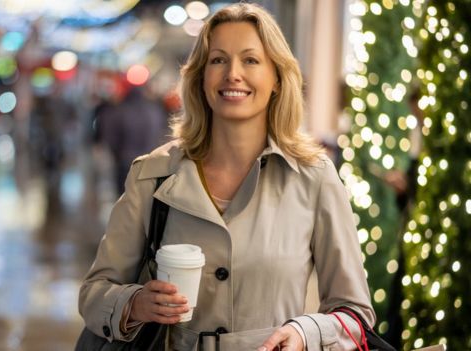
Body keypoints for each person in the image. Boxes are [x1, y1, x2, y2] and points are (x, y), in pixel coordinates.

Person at [78, 3, 375, 350]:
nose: (233, 74)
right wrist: (135, 304)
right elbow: (94, 293)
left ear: (277, 77)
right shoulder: (153, 174)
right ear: (201, 77)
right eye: (218, 60)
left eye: (251, 60)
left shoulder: (314, 177)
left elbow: (354, 313)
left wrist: (306, 333)